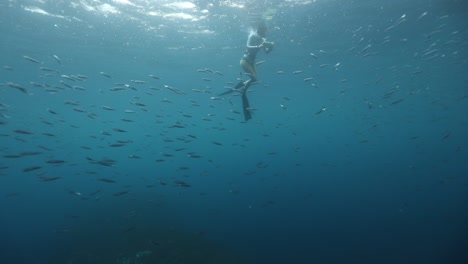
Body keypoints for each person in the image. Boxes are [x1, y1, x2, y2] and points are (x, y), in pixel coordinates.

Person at [220, 22, 274, 121]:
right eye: (262, 30)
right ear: (259, 29)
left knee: (255, 80)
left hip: (252, 62)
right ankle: (243, 91)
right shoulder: (252, 35)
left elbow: (266, 51)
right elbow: (248, 46)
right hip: (245, 61)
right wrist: (260, 46)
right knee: (253, 78)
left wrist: (270, 48)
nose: (263, 33)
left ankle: (242, 85)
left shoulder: (263, 38)